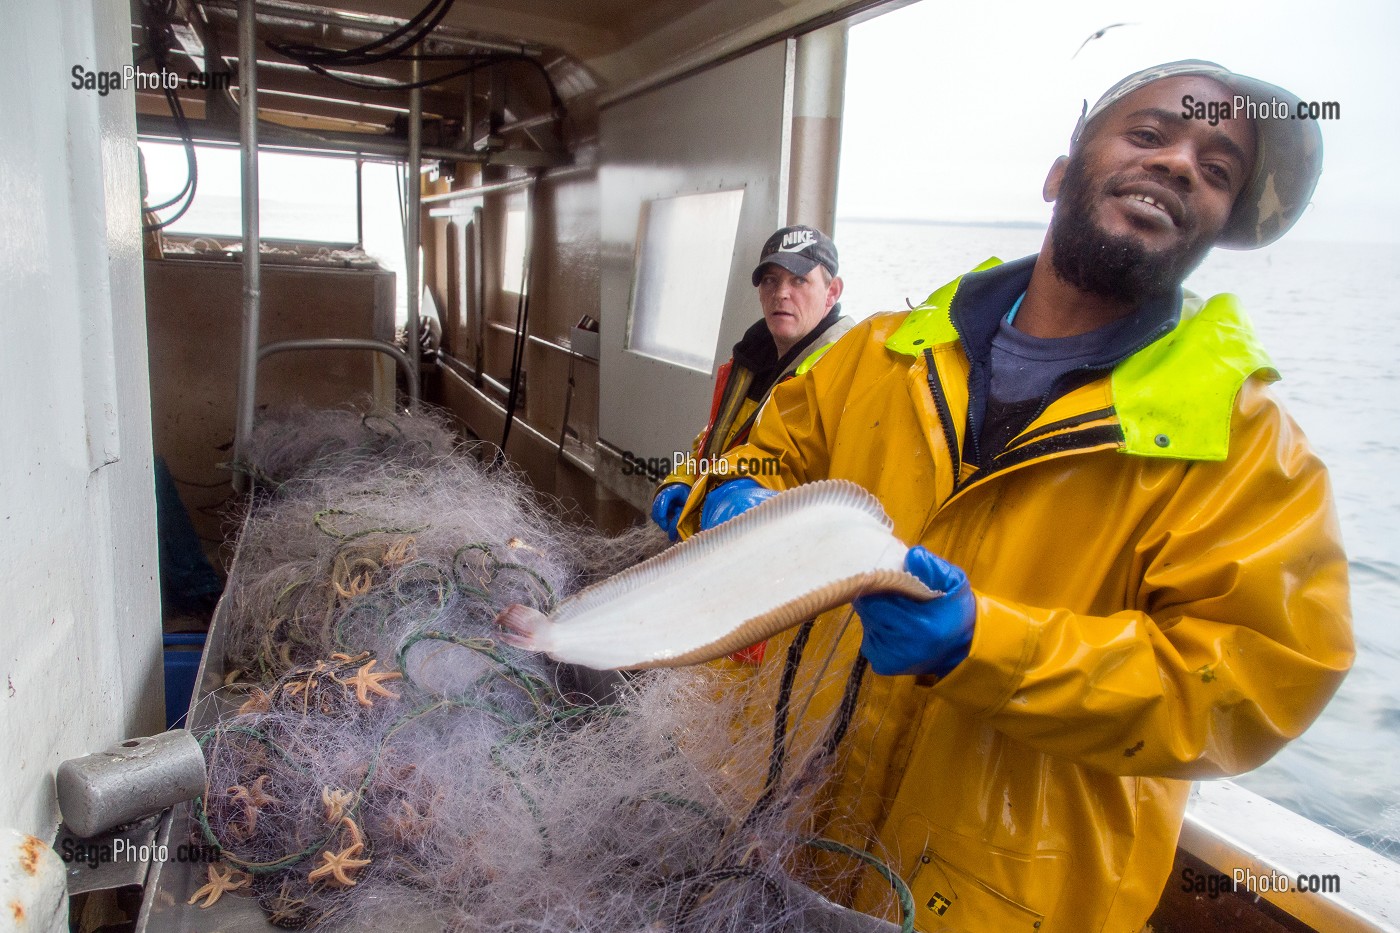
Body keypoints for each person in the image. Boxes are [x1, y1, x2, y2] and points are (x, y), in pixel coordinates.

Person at [679, 61, 1353, 932]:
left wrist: (983, 643)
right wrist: (720, 492)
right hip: (775, 840)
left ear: (1220, 225)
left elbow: (1253, 682)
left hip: (994, 905)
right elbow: (753, 456)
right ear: (1061, 171)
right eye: (1149, 134)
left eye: (1217, 168)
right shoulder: (877, 354)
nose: (1181, 164)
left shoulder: (1250, 447)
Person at [649, 225, 853, 546]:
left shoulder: (847, 369)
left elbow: (850, 496)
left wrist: (764, 504)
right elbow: (717, 437)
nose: (781, 293)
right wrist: (682, 480)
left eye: (799, 280)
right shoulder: (751, 358)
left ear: (832, 291)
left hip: (779, 557)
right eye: (771, 280)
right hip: (721, 541)